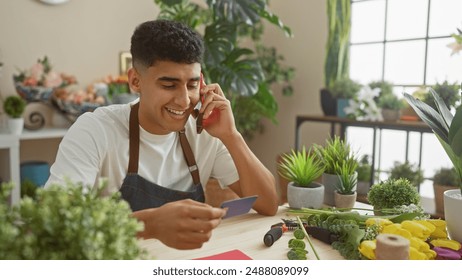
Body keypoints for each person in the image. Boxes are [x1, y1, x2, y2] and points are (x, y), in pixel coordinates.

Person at [45, 19, 278, 249]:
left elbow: (268, 204)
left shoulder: (205, 131)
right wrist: (151, 224)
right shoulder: (95, 130)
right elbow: (54, 223)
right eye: (169, 85)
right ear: (135, 81)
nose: (184, 100)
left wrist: (231, 135)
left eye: (192, 85)